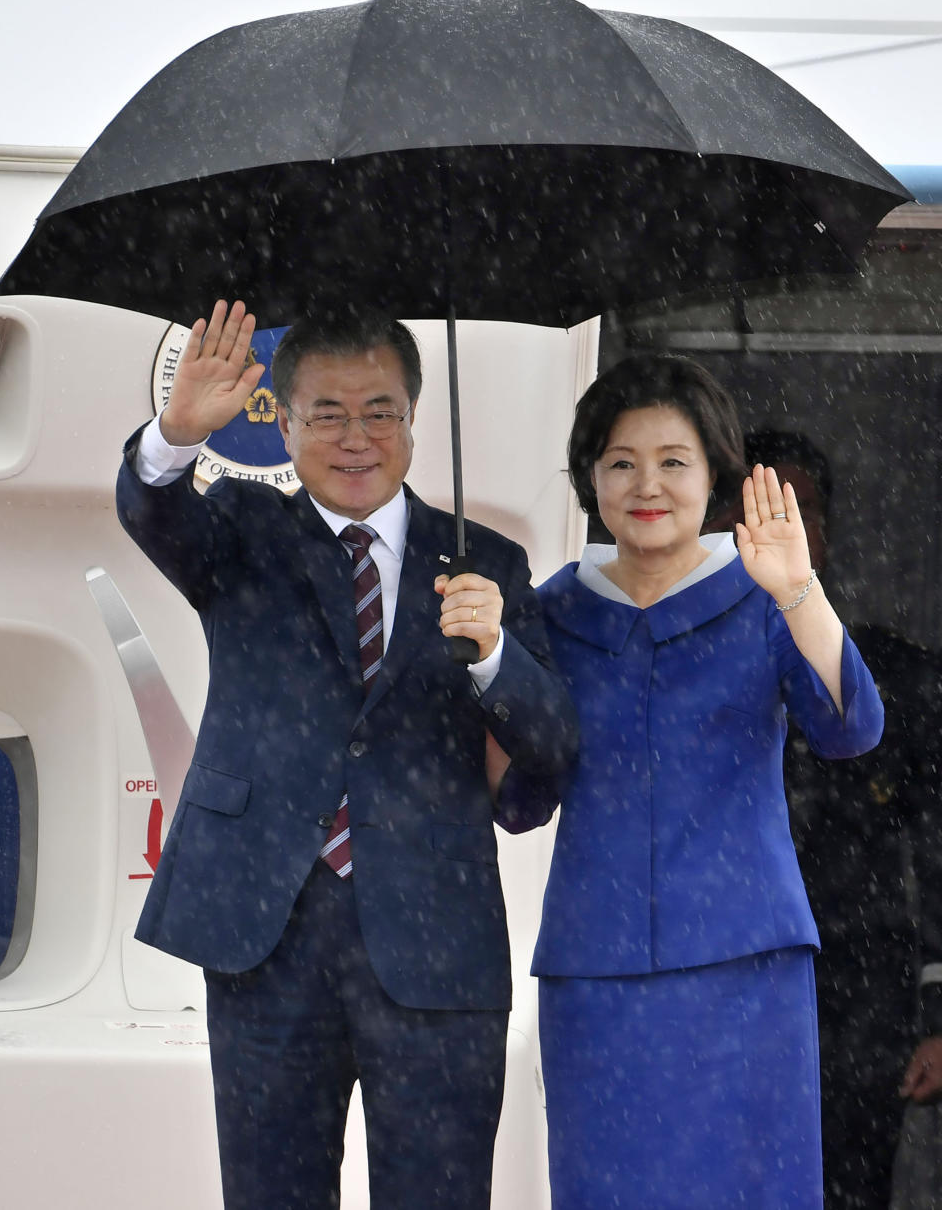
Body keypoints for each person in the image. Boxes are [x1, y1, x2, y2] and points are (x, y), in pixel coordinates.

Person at [116, 298, 578, 1210]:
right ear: (282, 424)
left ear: (413, 419)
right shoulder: (242, 530)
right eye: (326, 412)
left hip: (436, 945)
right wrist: (172, 435)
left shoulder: (488, 561)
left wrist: (492, 654)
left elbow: (553, 753)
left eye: (380, 410)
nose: (355, 436)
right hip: (267, 934)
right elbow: (151, 511)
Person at [494, 355, 884, 1209]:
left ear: (713, 475)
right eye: (620, 462)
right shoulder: (551, 610)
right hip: (596, 972)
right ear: (588, 478)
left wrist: (800, 591)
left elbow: (850, 728)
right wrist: (487, 662)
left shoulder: (763, 594)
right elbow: (519, 801)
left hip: (746, 964)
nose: (647, 484)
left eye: (674, 461)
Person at [710, 428, 942, 1209]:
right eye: (754, 507)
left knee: (847, 1188)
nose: (779, 527)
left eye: (798, 508)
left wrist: (941, 1013)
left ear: (828, 529)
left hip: (862, 994)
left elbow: (937, 845)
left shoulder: (897, 675)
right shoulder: (682, 660)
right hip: (723, 977)